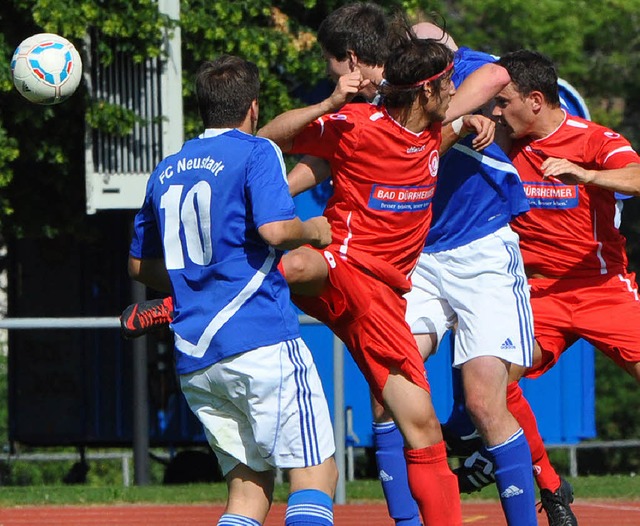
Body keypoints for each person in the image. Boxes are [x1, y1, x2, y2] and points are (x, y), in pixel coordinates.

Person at [127, 54, 338, 526]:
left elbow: (139, 264)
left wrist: (192, 282)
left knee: (247, 491)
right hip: (260, 341)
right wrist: (313, 230)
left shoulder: (166, 169)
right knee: (315, 474)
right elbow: (275, 232)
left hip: (198, 359)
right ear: (254, 108)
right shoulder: (256, 152)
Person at [366, 21, 538, 526]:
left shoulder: (456, 71)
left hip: (482, 249)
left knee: (485, 400)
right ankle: (408, 521)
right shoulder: (377, 100)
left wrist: (448, 119)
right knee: (387, 390)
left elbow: (495, 74)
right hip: (418, 255)